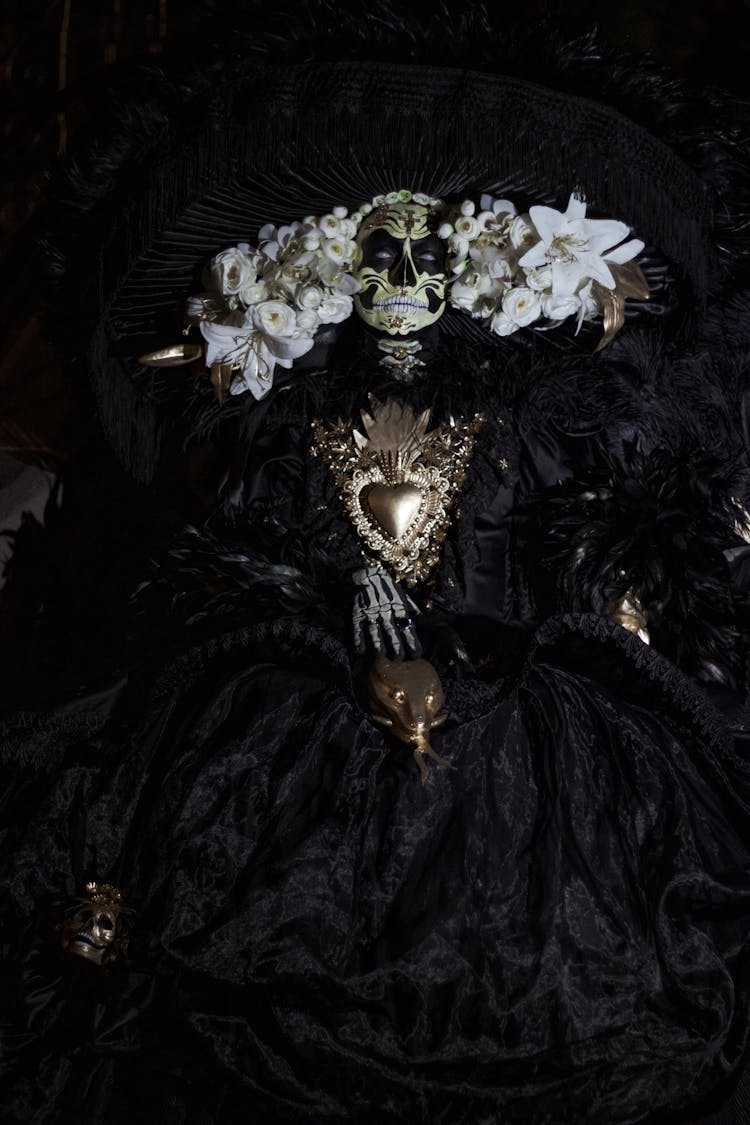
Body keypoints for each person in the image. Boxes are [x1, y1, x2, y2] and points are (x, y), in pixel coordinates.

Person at [3, 7, 750, 1123]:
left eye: (426, 250)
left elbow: (624, 546)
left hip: (546, 757)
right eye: (372, 249)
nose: (399, 275)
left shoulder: (558, 412)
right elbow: (221, 559)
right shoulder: (256, 413)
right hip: (283, 724)